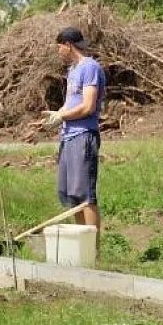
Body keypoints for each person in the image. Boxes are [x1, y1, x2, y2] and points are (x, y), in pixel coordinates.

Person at [41, 27, 107, 242]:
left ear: (68, 45)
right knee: (73, 196)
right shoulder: (73, 70)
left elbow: (87, 106)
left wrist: (62, 117)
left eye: (59, 46)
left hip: (83, 136)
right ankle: (82, 245)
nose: (58, 51)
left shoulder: (90, 67)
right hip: (68, 137)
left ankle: (93, 252)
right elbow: (71, 105)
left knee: (86, 195)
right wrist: (53, 118)